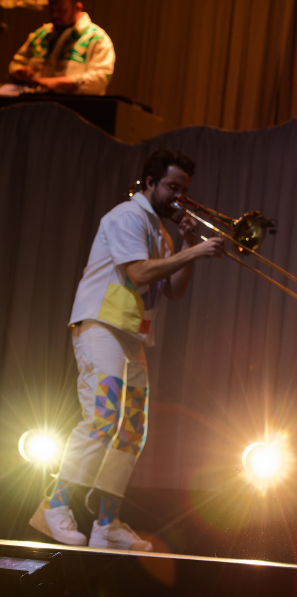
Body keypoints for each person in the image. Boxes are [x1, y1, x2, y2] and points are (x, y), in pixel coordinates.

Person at [29, 150, 223, 550]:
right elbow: (136, 273)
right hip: (100, 325)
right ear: (149, 184)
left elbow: (174, 290)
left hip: (130, 336)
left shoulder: (161, 232)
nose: (178, 197)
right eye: (172, 187)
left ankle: (106, 522)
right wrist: (196, 251)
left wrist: (187, 245)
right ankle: (52, 504)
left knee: (132, 428)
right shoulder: (126, 217)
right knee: (104, 415)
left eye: (183, 190)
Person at [7, 0, 115, 95]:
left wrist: (55, 83)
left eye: (61, 10)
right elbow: (16, 64)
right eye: (52, 10)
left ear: (77, 8)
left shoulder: (96, 38)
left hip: (74, 109)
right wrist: (19, 72)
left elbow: (100, 78)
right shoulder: (39, 35)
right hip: (33, 106)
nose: (55, 15)